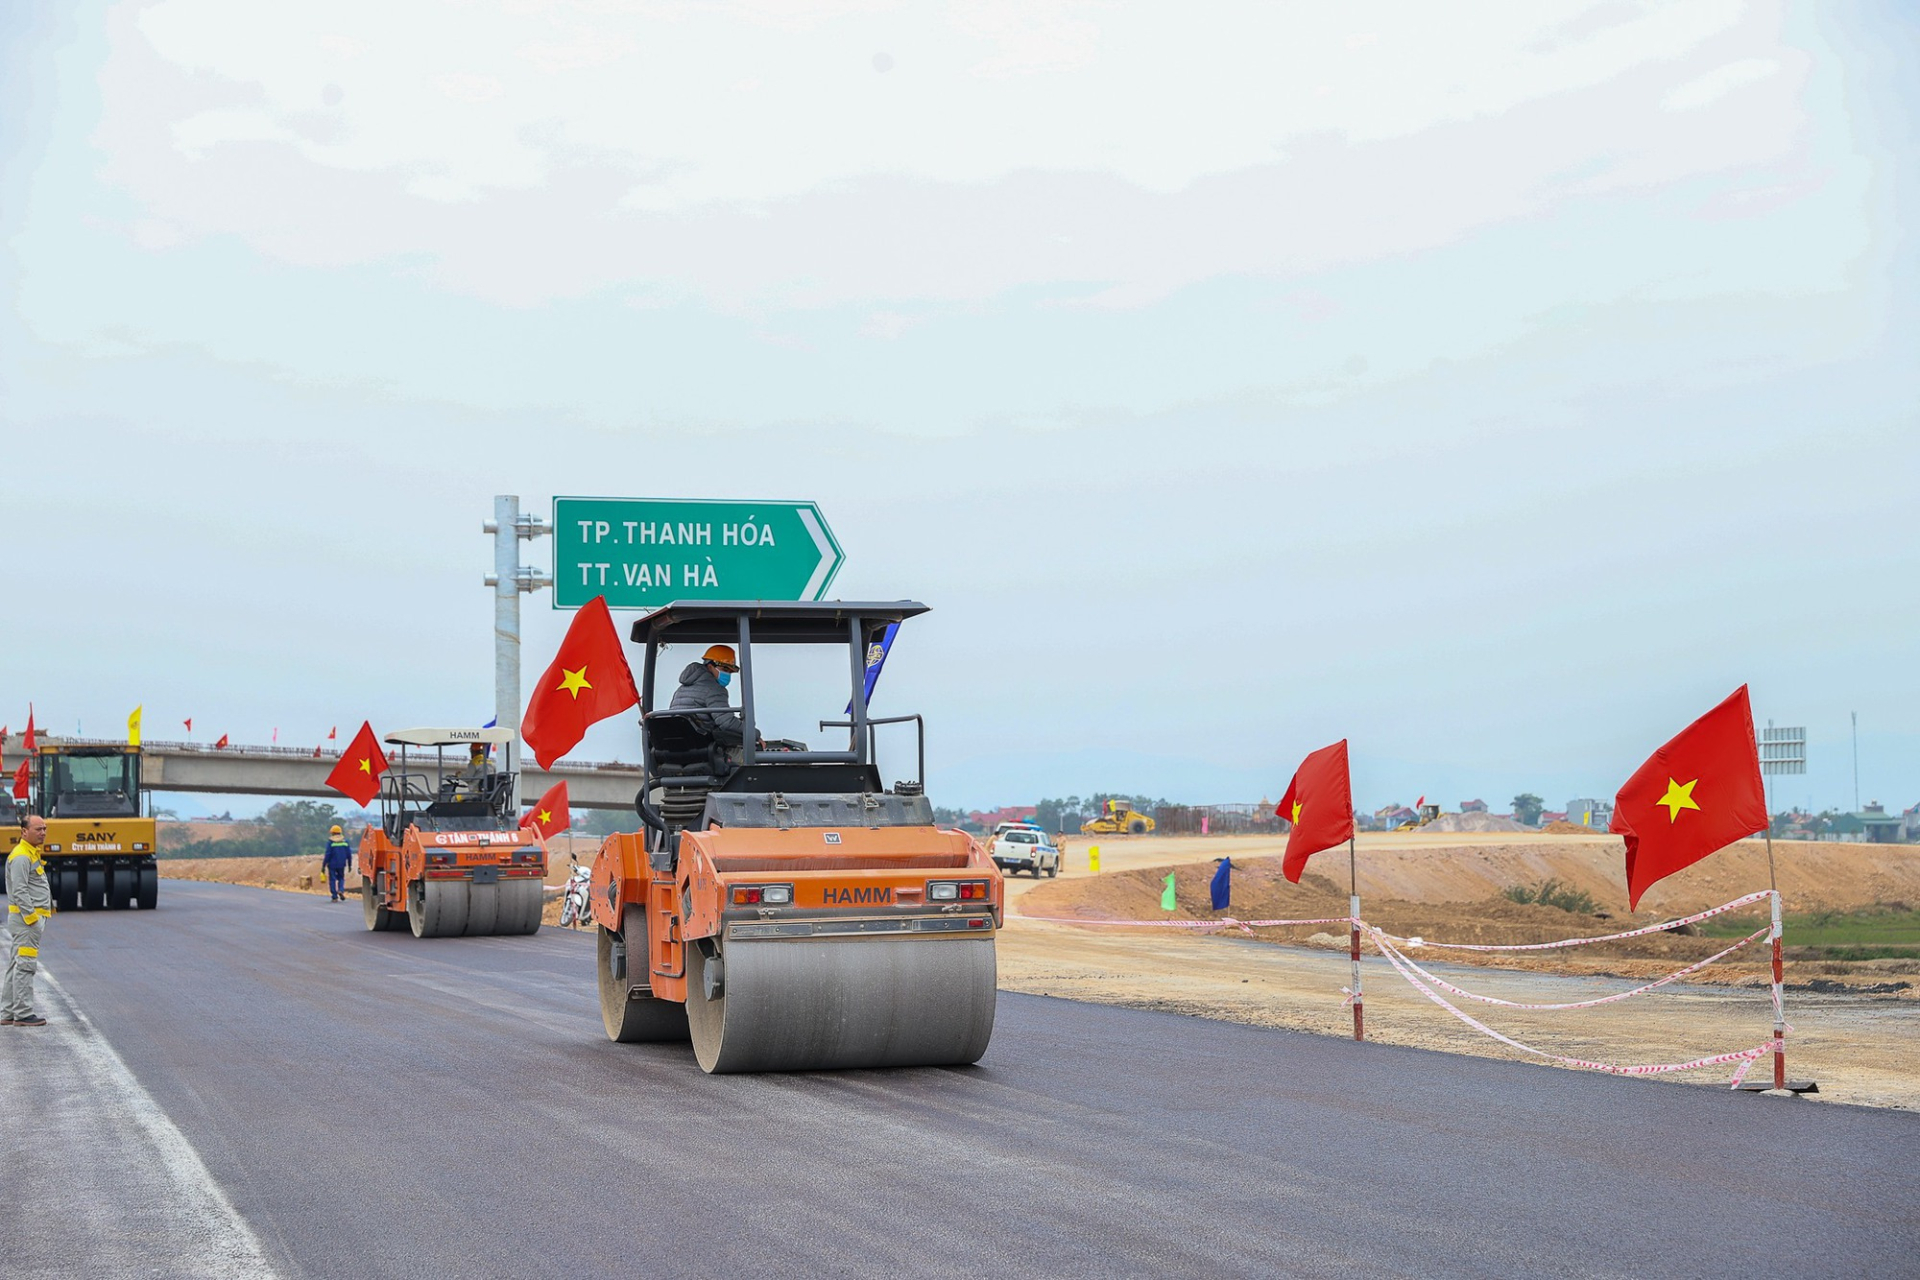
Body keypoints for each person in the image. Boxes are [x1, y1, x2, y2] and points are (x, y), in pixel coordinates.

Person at [4, 815, 52, 1028]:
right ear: (24, 831)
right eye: (38, 829)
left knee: (16, 963)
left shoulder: (30, 853)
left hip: (26, 920)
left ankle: (8, 1011)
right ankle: (23, 1013)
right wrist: (32, 919)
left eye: (44, 829)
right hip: (26, 921)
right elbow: (20, 890)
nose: (42, 832)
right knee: (25, 965)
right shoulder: (22, 856)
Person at [669, 644, 747, 747]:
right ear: (710, 666)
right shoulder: (715, 689)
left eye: (730, 672)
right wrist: (753, 734)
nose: (727, 675)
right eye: (725, 670)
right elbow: (727, 723)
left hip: (676, 745)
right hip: (702, 746)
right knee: (741, 751)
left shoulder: (681, 689)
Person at [321, 823, 353, 902]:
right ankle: (341, 890)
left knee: (332, 879)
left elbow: (328, 854)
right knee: (341, 878)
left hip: (332, 865)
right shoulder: (345, 842)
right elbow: (349, 854)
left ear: (332, 833)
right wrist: (349, 865)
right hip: (342, 864)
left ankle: (334, 896)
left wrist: (323, 865)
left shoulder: (330, 842)